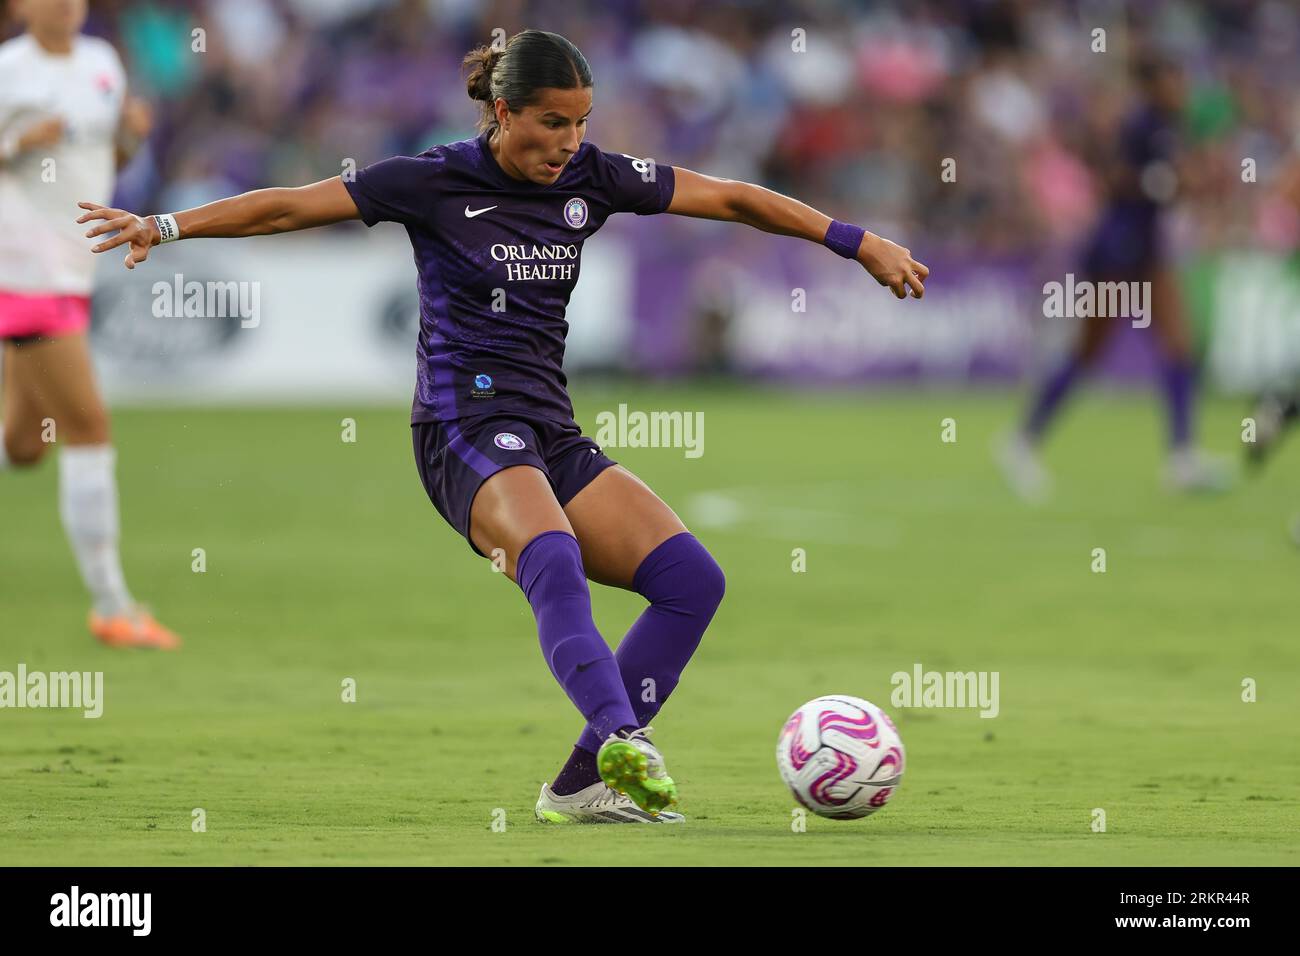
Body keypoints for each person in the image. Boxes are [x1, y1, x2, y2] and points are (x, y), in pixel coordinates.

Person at [76, 29, 928, 821]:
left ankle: (583, 782)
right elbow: (292, 208)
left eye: (581, 123)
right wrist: (165, 223)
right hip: (460, 428)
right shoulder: (434, 180)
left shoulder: (594, 178)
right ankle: (624, 737)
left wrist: (855, 242)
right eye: (552, 123)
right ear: (502, 112)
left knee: (692, 581)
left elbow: (734, 199)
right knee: (549, 553)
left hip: (548, 430)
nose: (567, 142)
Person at [0, 0, 177, 648]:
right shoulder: (8, 70)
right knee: (89, 427)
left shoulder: (102, 62)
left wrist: (130, 134)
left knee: (24, 445)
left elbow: (107, 158)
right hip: (23, 266)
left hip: (73, 268)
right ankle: (113, 607)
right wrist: (19, 142)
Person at [999, 54, 1228, 500]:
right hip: (1117, 250)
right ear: (1152, 84)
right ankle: (1023, 440)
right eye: (1172, 76)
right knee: (1090, 351)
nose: (1181, 86)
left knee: (1179, 344)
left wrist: (1182, 181)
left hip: (1148, 249)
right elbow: (1117, 180)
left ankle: (1182, 457)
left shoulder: (1167, 125)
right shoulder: (1139, 125)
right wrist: (1163, 182)